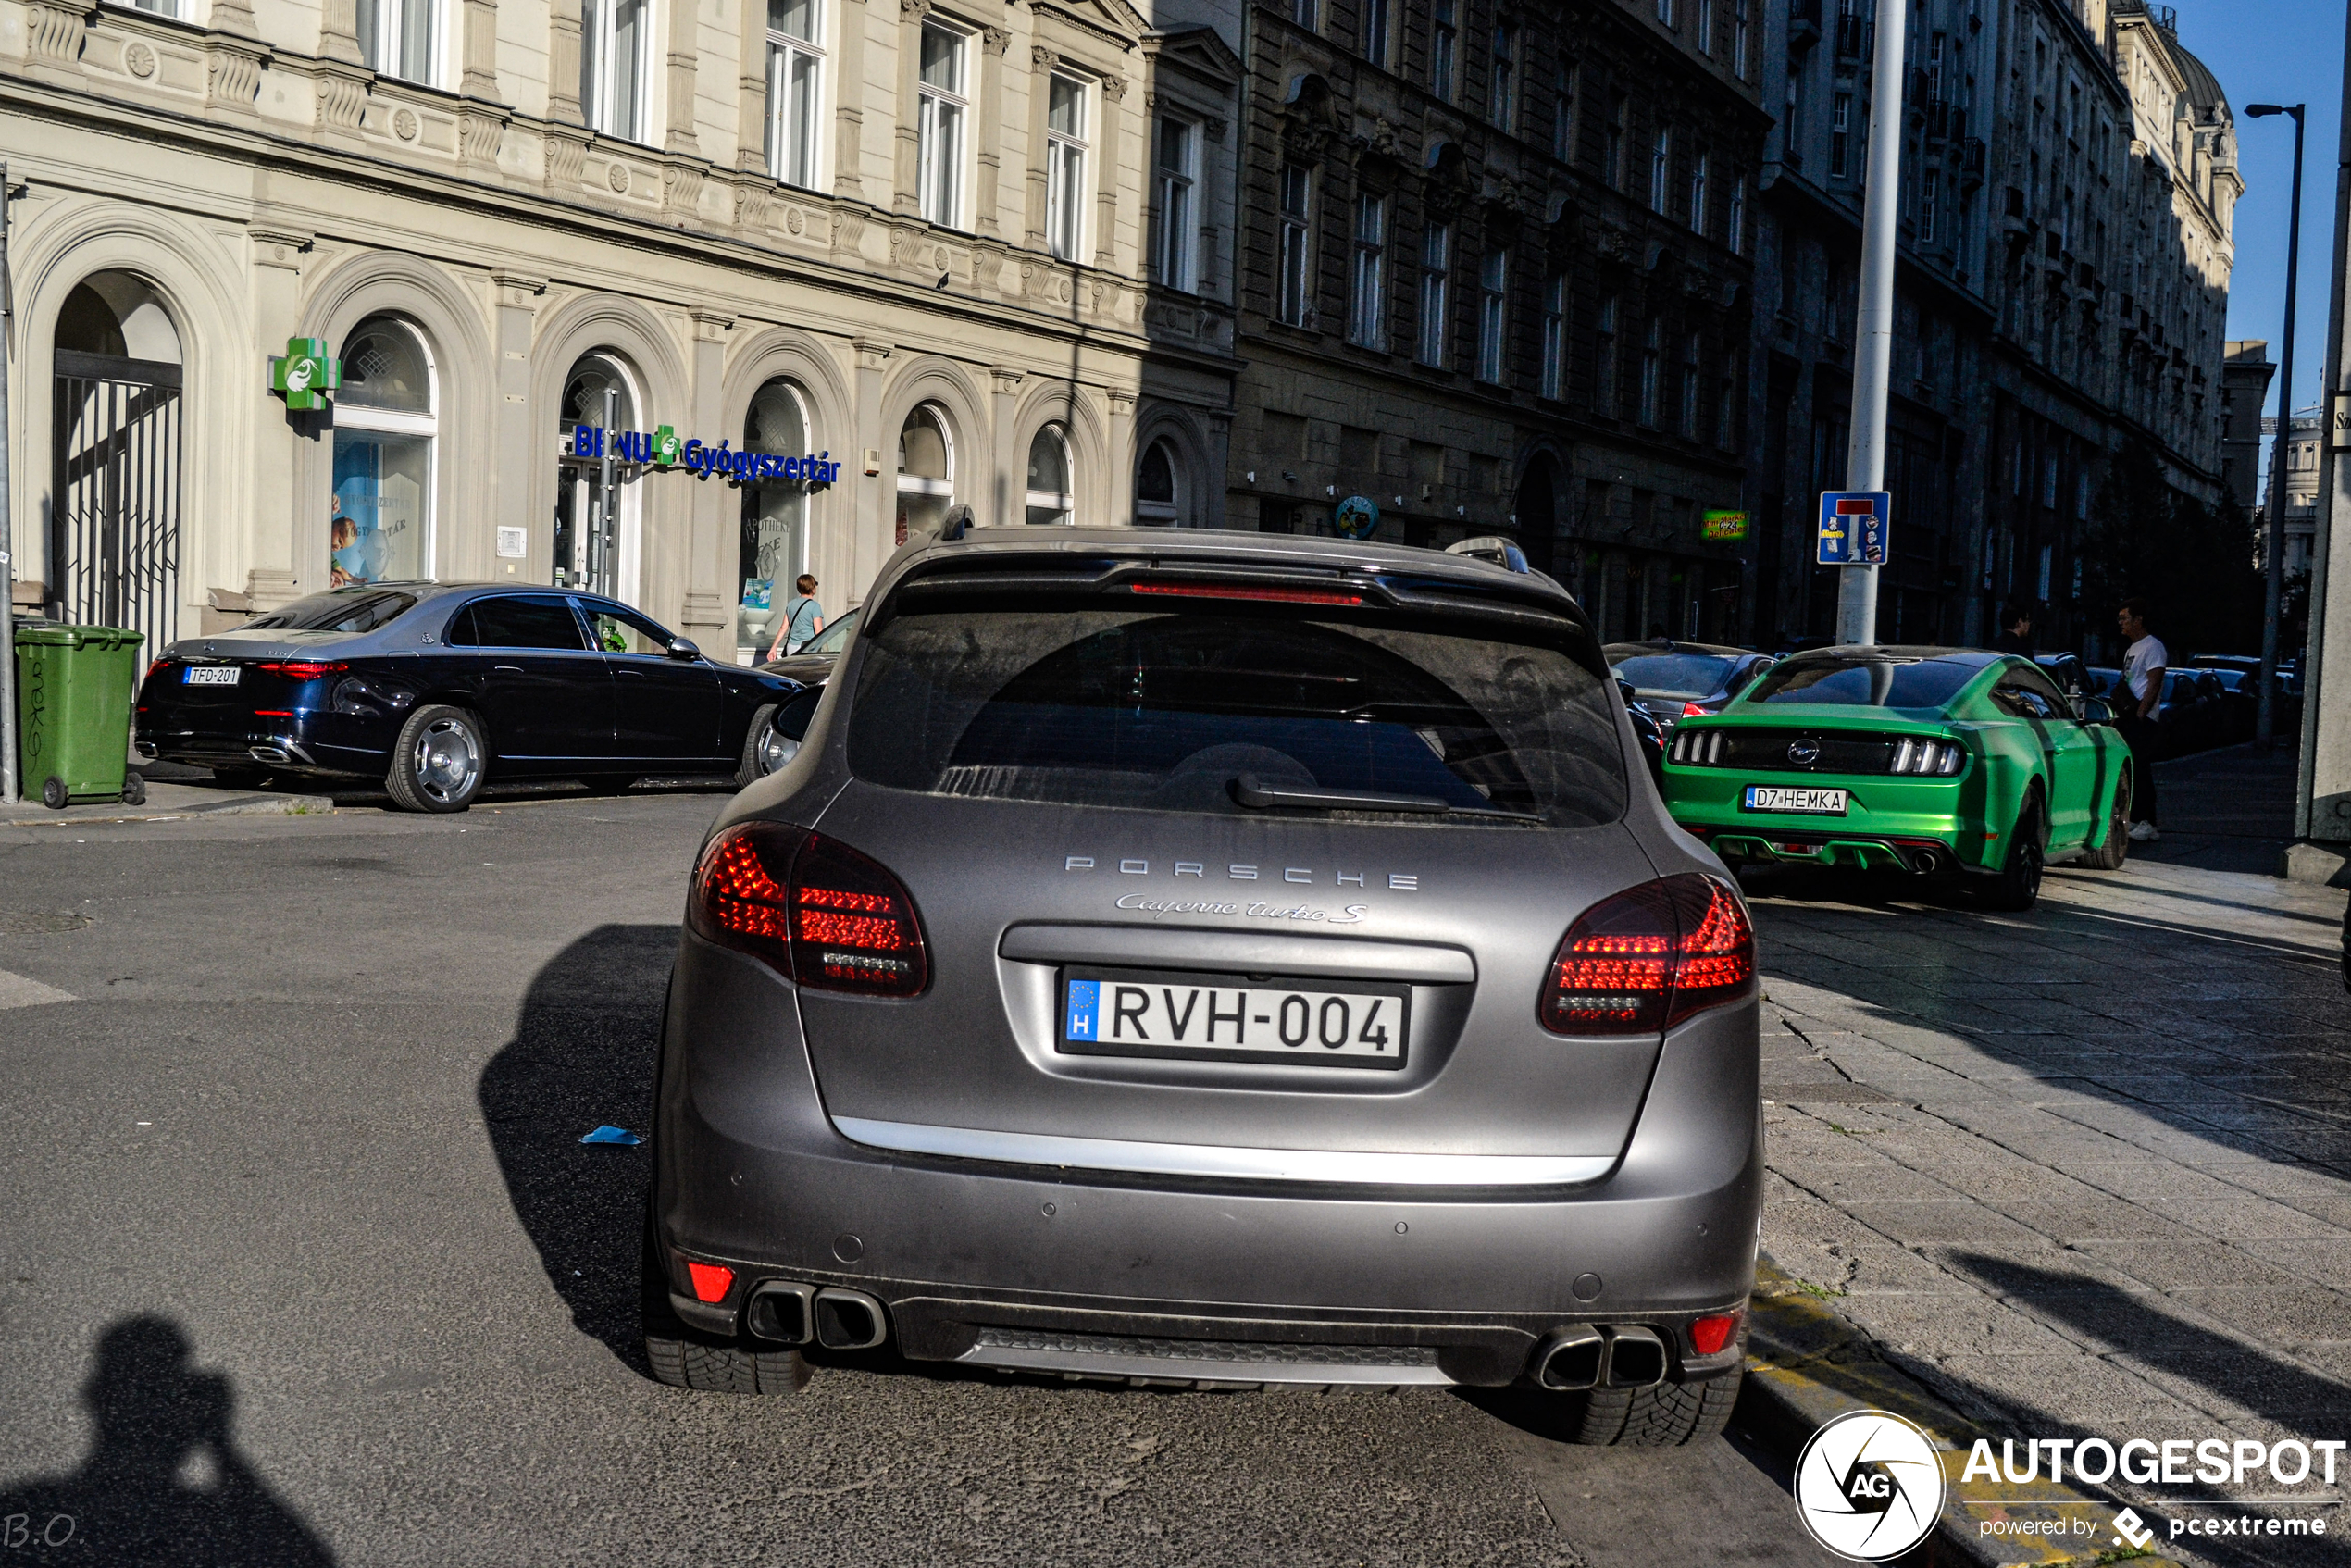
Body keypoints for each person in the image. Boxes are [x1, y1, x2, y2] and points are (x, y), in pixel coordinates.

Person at [2114, 598, 2165, 842]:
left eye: (2125, 618)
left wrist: (2141, 713)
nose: (2121, 623)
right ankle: (2135, 817)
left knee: (2141, 769)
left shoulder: (2153, 647)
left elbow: (2153, 683)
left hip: (2141, 718)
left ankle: (2149, 822)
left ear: (2138, 619)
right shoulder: (2131, 648)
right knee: (2132, 768)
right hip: (2128, 715)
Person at [768, 574, 824, 659]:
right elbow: (818, 632)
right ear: (812, 588)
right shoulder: (815, 606)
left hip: (791, 647)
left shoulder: (791, 604)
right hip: (807, 648)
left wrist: (774, 647)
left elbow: (783, 627)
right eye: (815, 584)